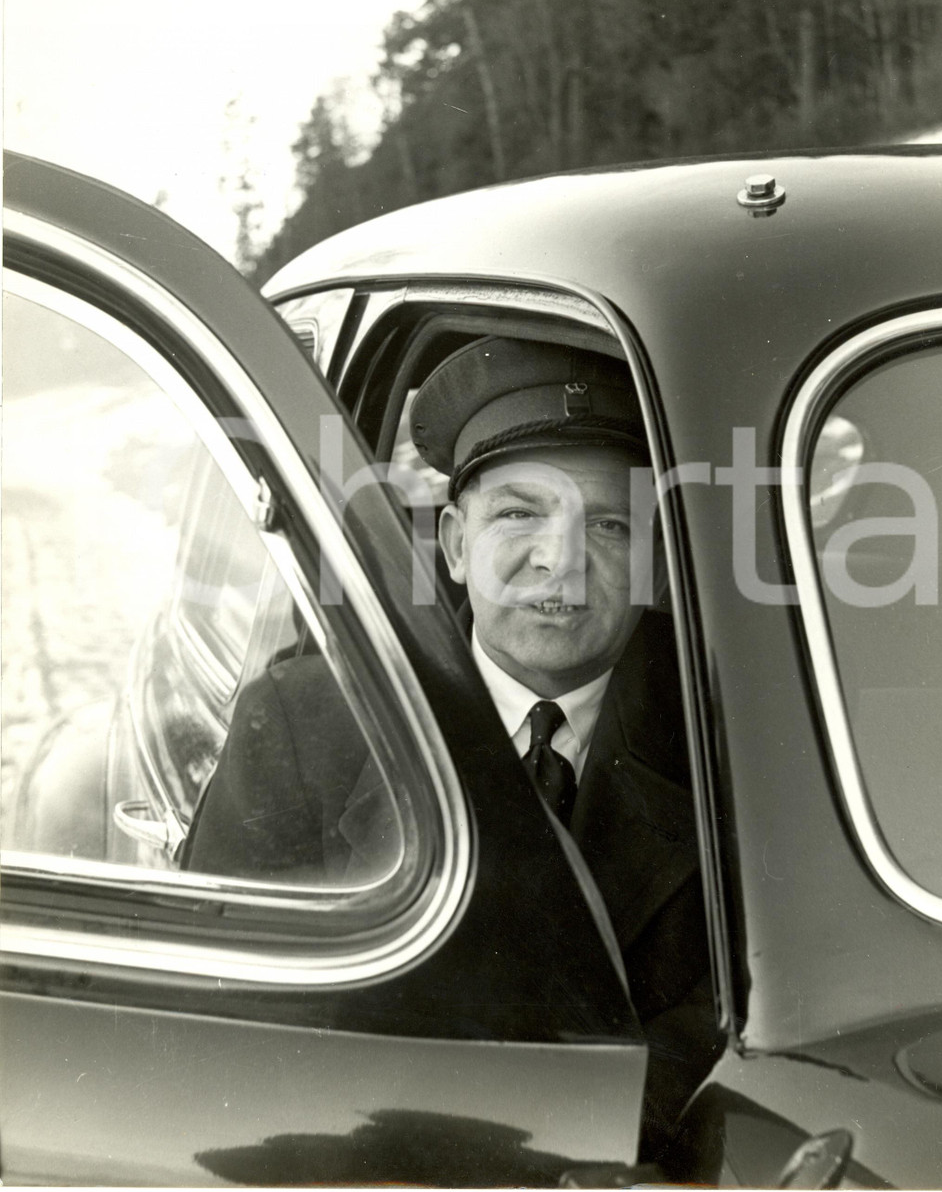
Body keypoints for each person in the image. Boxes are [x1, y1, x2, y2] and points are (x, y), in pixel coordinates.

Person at [184, 336, 720, 1142]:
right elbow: (226, 1011)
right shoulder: (309, 724)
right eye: (518, 513)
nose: (560, 561)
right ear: (458, 547)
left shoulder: (727, 741)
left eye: (609, 524)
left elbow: (725, 1027)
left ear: (655, 564)